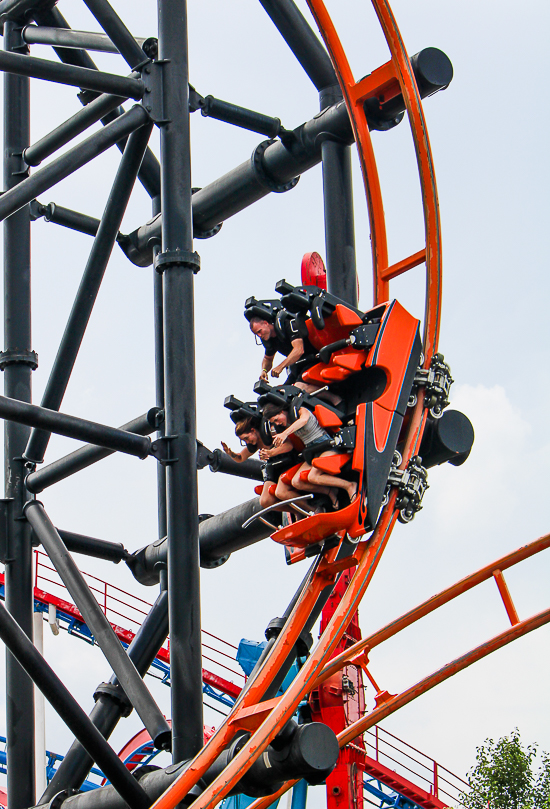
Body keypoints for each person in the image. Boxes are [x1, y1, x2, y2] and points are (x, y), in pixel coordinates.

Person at [262, 402, 357, 509]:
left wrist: (285, 433)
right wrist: (270, 453)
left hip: (326, 446)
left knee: (313, 477)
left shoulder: (301, 411)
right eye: (274, 422)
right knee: (296, 482)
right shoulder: (285, 425)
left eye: (276, 419)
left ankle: (349, 485)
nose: (277, 423)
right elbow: (288, 446)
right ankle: (330, 491)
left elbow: (303, 420)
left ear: (281, 412)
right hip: (312, 452)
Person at [221, 417, 295, 509]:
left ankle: (308, 508)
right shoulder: (255, 444)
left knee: (280, 492)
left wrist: (271, 453)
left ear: (253, 431)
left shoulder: (270, 433)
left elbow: (289, 446)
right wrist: (230, 453)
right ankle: (295, 511)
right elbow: (240, 458)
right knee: (265, 501)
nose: (247, 442)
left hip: (286, 463)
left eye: (246, 438)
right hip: (274, 469)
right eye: (244, 441)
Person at [248, 315, 312, 384]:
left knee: (299, 387)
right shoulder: (271, 340)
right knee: (283, 391)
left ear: (266, 323)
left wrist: (280, 367)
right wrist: (264, 370)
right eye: (257, 334)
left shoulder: (287, 325)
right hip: (299, 366)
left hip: (312, 358)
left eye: (259, 331)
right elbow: (267, 358)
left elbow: (299, 350)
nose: (259, 335)